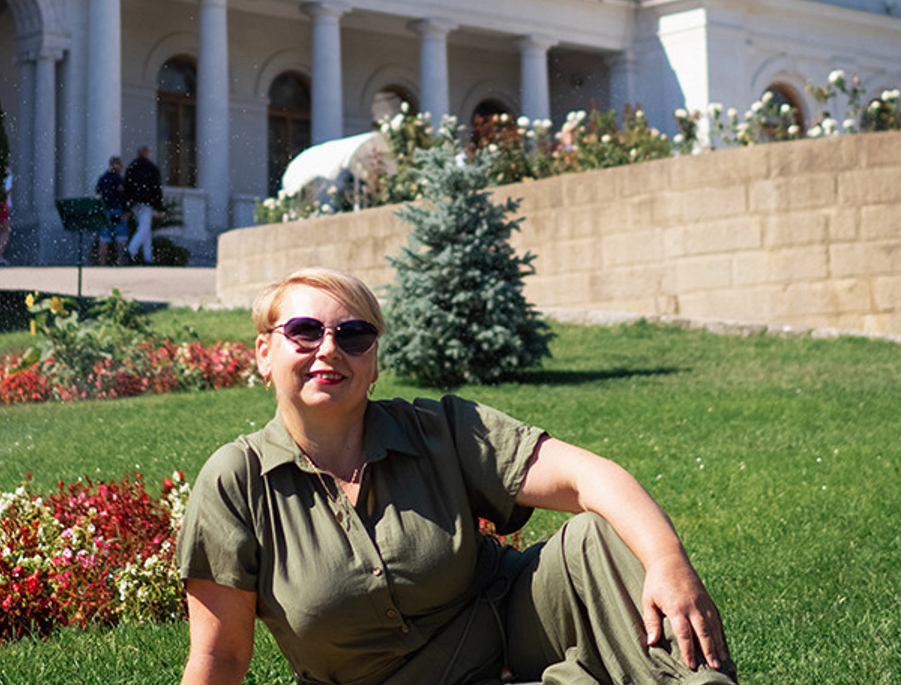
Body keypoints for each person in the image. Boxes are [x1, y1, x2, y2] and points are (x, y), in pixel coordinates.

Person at [177, 267, 737, 685]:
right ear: (263, 354)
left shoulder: (437, 428)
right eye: (303, 331)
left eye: (353, 335)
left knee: (600, 532)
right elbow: (220, 656)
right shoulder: (237, 482)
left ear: (372, 362)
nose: (329, 349)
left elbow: (589, 477)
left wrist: (668, 562)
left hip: (514, 624)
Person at [123, 145, 164, 266]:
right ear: (147, 154)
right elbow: (156, 189)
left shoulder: (132, 167)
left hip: (135, 204)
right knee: (144, 228)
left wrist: (127, 206)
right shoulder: (151, 168)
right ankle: (131, 250)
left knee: (145, 230)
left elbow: (127, 187)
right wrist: (159, 207)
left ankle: (148, 257)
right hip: (146, 203)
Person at [94, 155, 127, 265]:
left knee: (104, 239)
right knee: (121, 238)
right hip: (117, 210)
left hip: (105, 211)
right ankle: (120, 261)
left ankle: (102, 262)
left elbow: (97, 195)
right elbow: (123, 196)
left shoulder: (103, 179)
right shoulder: (119, 179)